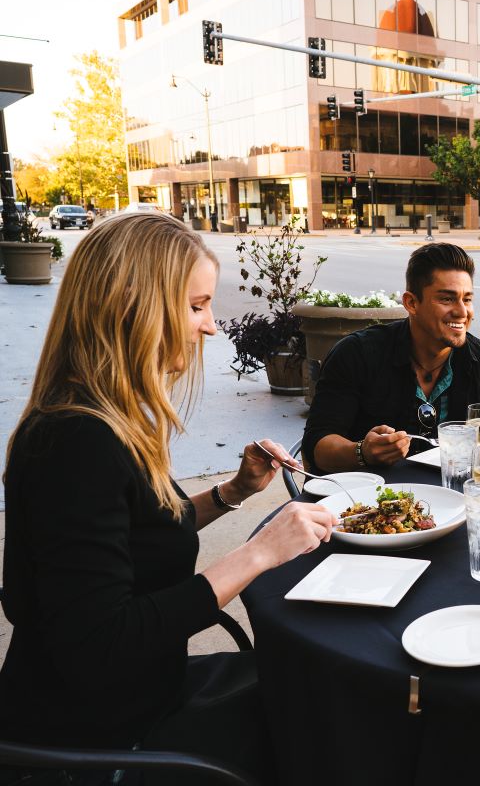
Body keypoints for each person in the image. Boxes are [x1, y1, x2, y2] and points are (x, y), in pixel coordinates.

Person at [0, 212, 336, 784]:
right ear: (132, 306)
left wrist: (231, 493)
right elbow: (99, 645)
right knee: (324, 728)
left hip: (143, 697)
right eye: (196, 305)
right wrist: (257, 555)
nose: (210, 327)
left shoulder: (106, 420)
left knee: (313, 692)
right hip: (101, 743)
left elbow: (130, 537)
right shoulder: (75, 441)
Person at [302, 242, 480, 474]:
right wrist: (362, 452)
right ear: (411, 303)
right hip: (367, 500)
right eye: (447, 299)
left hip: (453, 500)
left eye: (467, 299)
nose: (462, 312)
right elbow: (315, 448)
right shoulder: (356, 354)